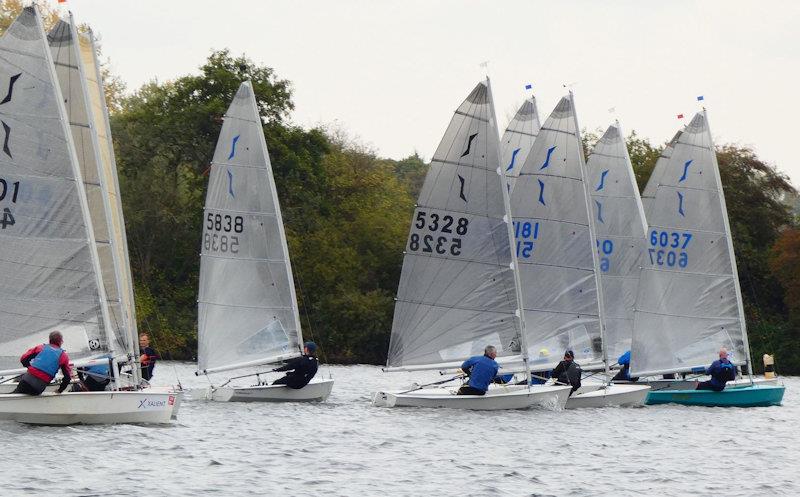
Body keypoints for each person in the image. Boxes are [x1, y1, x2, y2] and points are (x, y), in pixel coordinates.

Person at [13, 331, 72, 395]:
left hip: (27, 380)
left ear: (49, 340)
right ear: (61, 342)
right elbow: (67, 378)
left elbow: (23, 359)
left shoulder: (40, 348)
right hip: (39, 387)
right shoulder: (63, 356)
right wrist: (59, 390)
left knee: (15, 394)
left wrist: (31, 368)